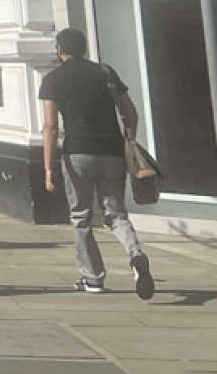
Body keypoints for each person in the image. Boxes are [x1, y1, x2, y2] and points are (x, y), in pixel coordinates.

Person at [40, 28, 155, 299]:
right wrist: (129, 140)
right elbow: (130, 111)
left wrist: (48, 168)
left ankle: (92, 278)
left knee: (81, 216)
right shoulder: (105, 72)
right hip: (112, 152)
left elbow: (50, 126)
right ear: (85, 49)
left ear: (59, 50)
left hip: (77, 153)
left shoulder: (53, 79)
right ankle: (136, 256)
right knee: (116, 214)